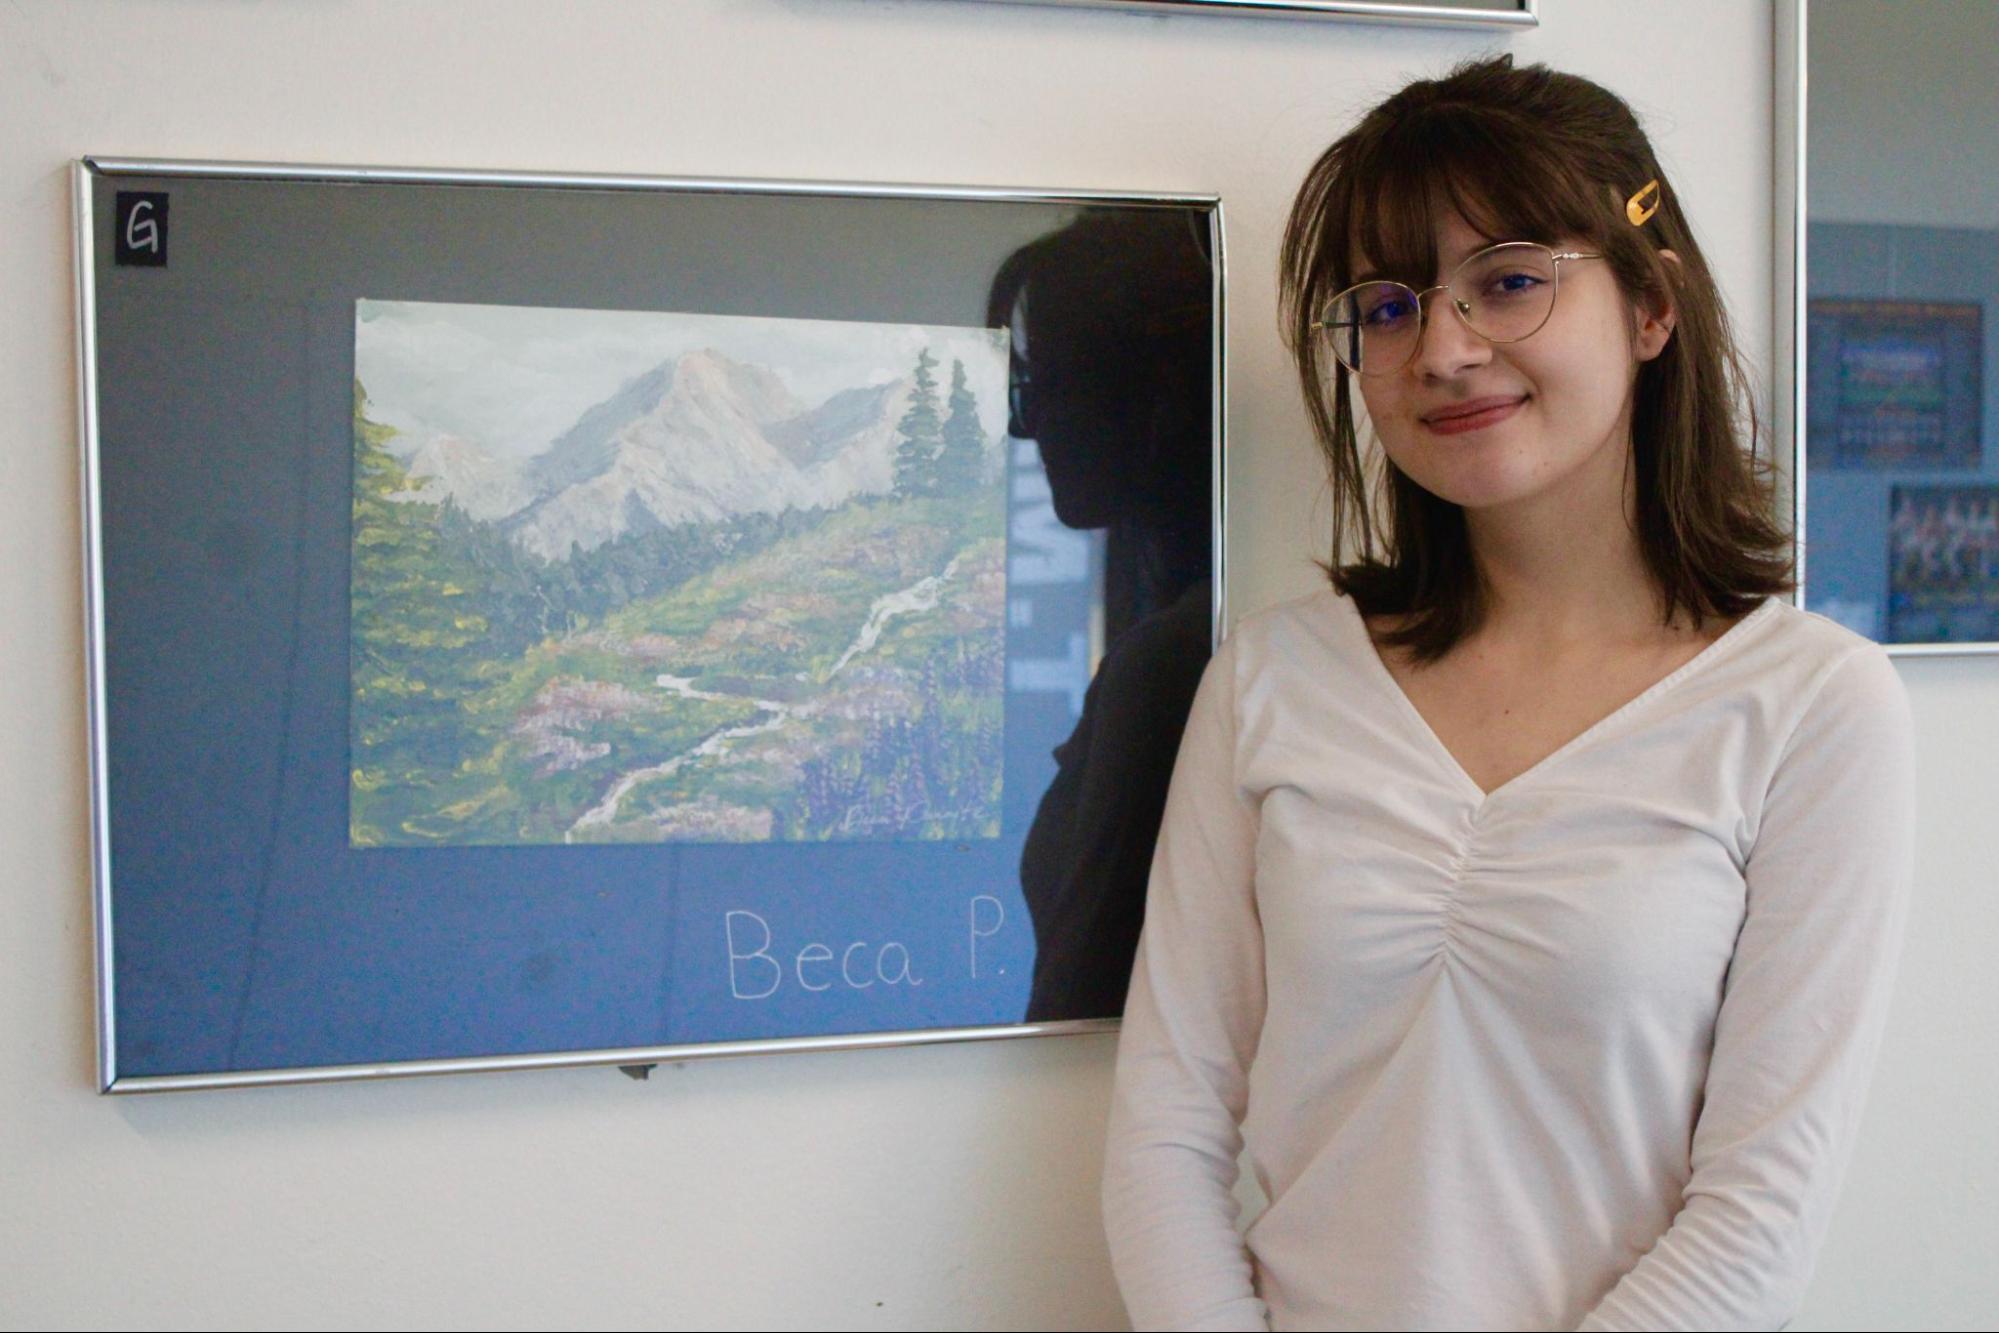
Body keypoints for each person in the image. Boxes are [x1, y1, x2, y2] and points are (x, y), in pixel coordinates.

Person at [1100, 53, 1917, 1332]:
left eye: (1511, 281)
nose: (1442, 348)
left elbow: (1759, 1210)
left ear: (1652, 306)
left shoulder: (1813, 706)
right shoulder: (1273, 678)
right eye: (1385, 305)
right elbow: (1167, 1123)